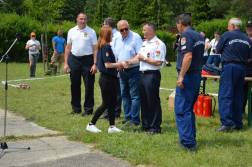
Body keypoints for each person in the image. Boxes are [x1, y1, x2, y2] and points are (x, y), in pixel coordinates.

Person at [126, 21, 166, 135]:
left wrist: (144, 59)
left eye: (144, 30)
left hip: (152, 75)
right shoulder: (145, 43)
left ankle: (156, 127)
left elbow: (159, 62)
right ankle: (146, 124)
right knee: (143, 101)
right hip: (142, 74)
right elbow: (139, 57)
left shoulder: (158, 44)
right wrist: (129, 62)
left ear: (151, 30)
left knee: (153, 102)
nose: (142, 32)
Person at [174, 14, 205, 152]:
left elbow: (188, 56)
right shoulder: (199, 36)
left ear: (180, 23)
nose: (177, 28)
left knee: (182, 110)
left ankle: (188, 143)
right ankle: (189, 137)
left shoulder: (185, 36)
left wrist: (181, 76)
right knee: (189, 109)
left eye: (177, 25)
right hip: (196, 75)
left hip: (187, 77)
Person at [215, 18, 252, 132]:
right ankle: (238, 123)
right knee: (238, 95)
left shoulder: (227, 35)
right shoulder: (247, 39)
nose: (227, 27)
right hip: (242, 68)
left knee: (225, 95)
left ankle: (227, 123)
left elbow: (217, 50)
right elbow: (249, 58)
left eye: (228, 25)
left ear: (232, 25)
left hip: (229, 67)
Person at [86, 27, 125, 133]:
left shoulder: (104, 47)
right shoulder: (105, 48)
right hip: (106, 79)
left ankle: (112, 126)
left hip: (110, 78)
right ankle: (91, 124)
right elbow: (107, 65)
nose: (113, 36)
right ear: (107, 35)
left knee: (113, 102)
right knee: (106, 103)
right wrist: (121, 64)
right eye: (111, 34)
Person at [64, 13, 98, 117]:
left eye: (85, 19)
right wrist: (65, 63)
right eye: (81, 19)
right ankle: (76, 108)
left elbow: (95, 49)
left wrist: (95, 64)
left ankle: (88, 109)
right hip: (75, 60)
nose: (83, 21)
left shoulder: (91, 32)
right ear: (77, 19)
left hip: (87, 60)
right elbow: (68, 48)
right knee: (74, 84)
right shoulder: (71, 31)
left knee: (89, 85)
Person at [112, 20, 143, 127]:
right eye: (122, 30)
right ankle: (128, 117)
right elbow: (115, 54)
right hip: (122, 71)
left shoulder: (136, 37)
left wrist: (129, 62)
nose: (124, 31)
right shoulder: (116, 38)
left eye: (126, 29)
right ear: (118, 30)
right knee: (124, 95)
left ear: (129, 26)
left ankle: (134, 119)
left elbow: (140, 55)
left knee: (134, 95)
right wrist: (118, 66)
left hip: (134, 70)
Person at [100, 17, 122, 120]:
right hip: (109, 68)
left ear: (107, 25)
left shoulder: (117, 36)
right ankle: (109, 112)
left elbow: (118, 52)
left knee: (116, 93)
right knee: (110, 94)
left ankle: (115, 112)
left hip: (114, 67)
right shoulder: (106, 43)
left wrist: (118, 66)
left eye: (103, 24)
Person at [243, 19, 252, 117]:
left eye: (251, 27)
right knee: (243, 91)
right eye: (248, 27)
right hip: (245, 67)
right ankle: (242, 111)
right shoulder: (243, 38)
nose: (249, 29)